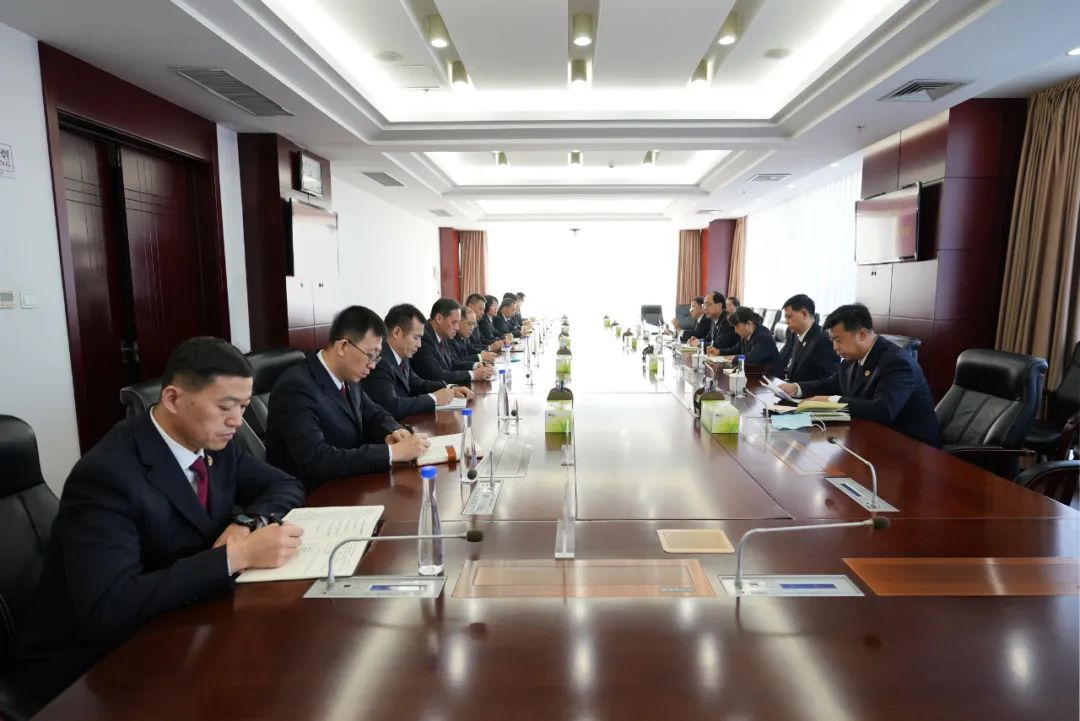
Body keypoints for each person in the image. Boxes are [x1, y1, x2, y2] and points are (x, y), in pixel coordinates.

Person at [1, 337, 306, 716]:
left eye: (243, 406)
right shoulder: (107, 476)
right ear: (173, 399)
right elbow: (107, 608)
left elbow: (284, 485)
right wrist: (234, 557)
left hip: (180, 621)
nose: (237, 421)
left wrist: (247, 523)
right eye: (225, 406)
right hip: (93, 666)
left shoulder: (217, 443)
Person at [266, 305, 431, 489]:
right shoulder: (296, 387)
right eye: (370, 355)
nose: (373, 365)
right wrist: (392, 452)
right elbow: (318, 459)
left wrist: (392, 432)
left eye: (377, 357)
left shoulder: (349, 377)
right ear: (343, 346)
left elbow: (375, 414)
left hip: (349, 482)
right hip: (313, 494)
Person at [778, 303, 942, 447]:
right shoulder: (852, 357)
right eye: (832, 340)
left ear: (862, 334)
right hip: (868, 437)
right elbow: (832, 383)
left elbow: (883, 410)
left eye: (838, 340)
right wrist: (797, 388)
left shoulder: (897, 362)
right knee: (784, 430)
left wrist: (832, 401)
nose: (835, 347)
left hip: (912, 448)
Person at [362, 304, 473, 420]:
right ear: (397, 332)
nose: (419, 344)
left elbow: (417, 384)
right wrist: (434, 398)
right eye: (416, 338)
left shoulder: (402, 355)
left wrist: (450, 389)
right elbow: (392, 407)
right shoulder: (380, 361)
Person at [413, 298, 497, 385]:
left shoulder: (442, 334)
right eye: (454, 323)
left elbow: (452, 363)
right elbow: (438, 375)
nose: (457, 328)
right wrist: (473, 375)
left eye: (458, 323)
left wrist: (476, 366)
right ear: (439, 318)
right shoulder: (424, 339)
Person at [777, 293, 839, 384]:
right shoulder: (793, 334)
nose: (786, 322)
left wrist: (798, 388)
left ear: (804, 314)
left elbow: (830, 381)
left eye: (789, 317)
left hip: (808, 392)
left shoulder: (824, 340)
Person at [709, 306, 781, 375]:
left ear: (748, 324)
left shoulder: (763, 337)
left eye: (737, 327)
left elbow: (751, 359)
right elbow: (735, 349)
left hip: (768, 377)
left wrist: (733, 358)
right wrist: (719, 352)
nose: (735, 331)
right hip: (753, 372)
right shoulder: (746, 335)